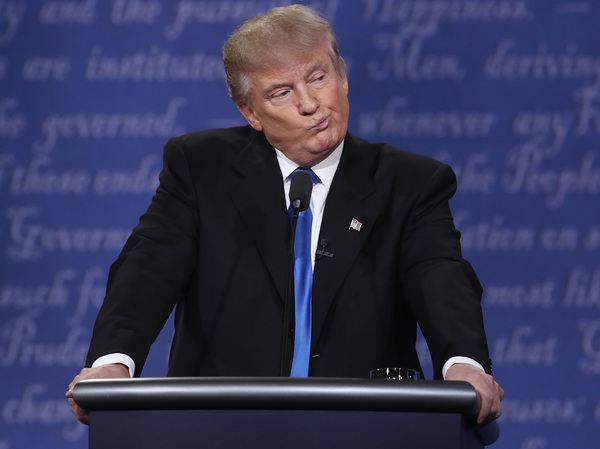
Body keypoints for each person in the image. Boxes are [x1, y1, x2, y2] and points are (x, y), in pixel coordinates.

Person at [67, 4, 503, 426]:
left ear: (343, 77)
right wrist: (112, 363)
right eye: (282, 92)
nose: (311, 103)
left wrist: (464, 364)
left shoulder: (410, 183)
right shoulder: (201, 168)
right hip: (218, 428)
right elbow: (148, 268)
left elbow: (440, 277)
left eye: (319, 77)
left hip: (363, 429)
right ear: (250, 112)